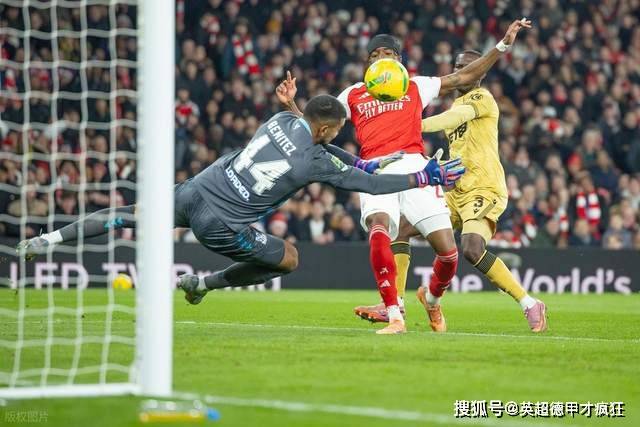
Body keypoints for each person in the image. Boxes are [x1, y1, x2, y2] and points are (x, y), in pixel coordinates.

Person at [16, 95, 465, 326]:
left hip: (194, 190)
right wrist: (422, 177)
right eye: (335, 131)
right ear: (327, 129)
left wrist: (360, 160)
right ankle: (203, 284)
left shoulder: (281, 119)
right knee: (288, 258)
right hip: (221, 223)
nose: (334, 137)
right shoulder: (312, 160)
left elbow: (320, 141)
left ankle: (47, 239)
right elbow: (368, 185)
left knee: (127, 214)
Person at [279, 19, 532, 334]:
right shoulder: (354, 93)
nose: (381, 58)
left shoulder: (416, 85)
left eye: (387, 53)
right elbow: (315, 128)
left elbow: (464, 76)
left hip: (417, 169)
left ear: (399, 59)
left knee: (448, 253)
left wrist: (502, 45)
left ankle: (432, 302)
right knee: (381, 226)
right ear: (368, 63)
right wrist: (292, 104)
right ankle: (393, 311)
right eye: (374, 55)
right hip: (376, 169)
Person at [403, 50, 547, 332]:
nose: (460, 72)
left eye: (467, 67)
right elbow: (460, 149)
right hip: (457, 191)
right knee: (404, 229)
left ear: (481, 72)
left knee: (471, 248)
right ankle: (418, 302)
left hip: (485, 188)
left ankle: (529, 303)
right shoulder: (456, 102)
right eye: (457, 66)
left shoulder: (482, 98)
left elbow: (453, 118)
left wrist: (411, 126)